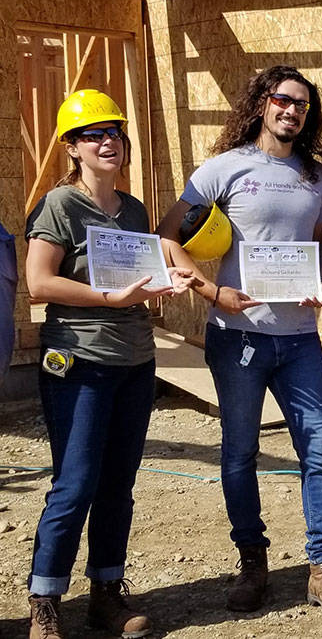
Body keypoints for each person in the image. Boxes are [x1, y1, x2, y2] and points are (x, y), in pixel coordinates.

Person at [157, 66, 322, 617]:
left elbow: (315, 248)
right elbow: (168, 235)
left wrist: (321, 283)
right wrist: (210, 290)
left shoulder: (316, 179)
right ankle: (252, 562)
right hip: (237, 337)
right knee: (240, 452)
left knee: (319, 451)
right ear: (263, 103)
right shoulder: (224, 168)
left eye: (302, 105)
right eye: (283, 100)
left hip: (299, 340)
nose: (292, 111)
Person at [26, 90, 193, 639]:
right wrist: (110, 299)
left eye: (114, 132)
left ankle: (106, 594)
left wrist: (166, 282)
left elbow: (136, 279)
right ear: (71, 147)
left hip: (135, 360)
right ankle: (45, 601)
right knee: (75, 484)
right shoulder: (59, 205)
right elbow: (39, 283)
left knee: (118, 483)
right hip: (79, 360)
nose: (107, 142)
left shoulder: (135, 209)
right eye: (93, 134)